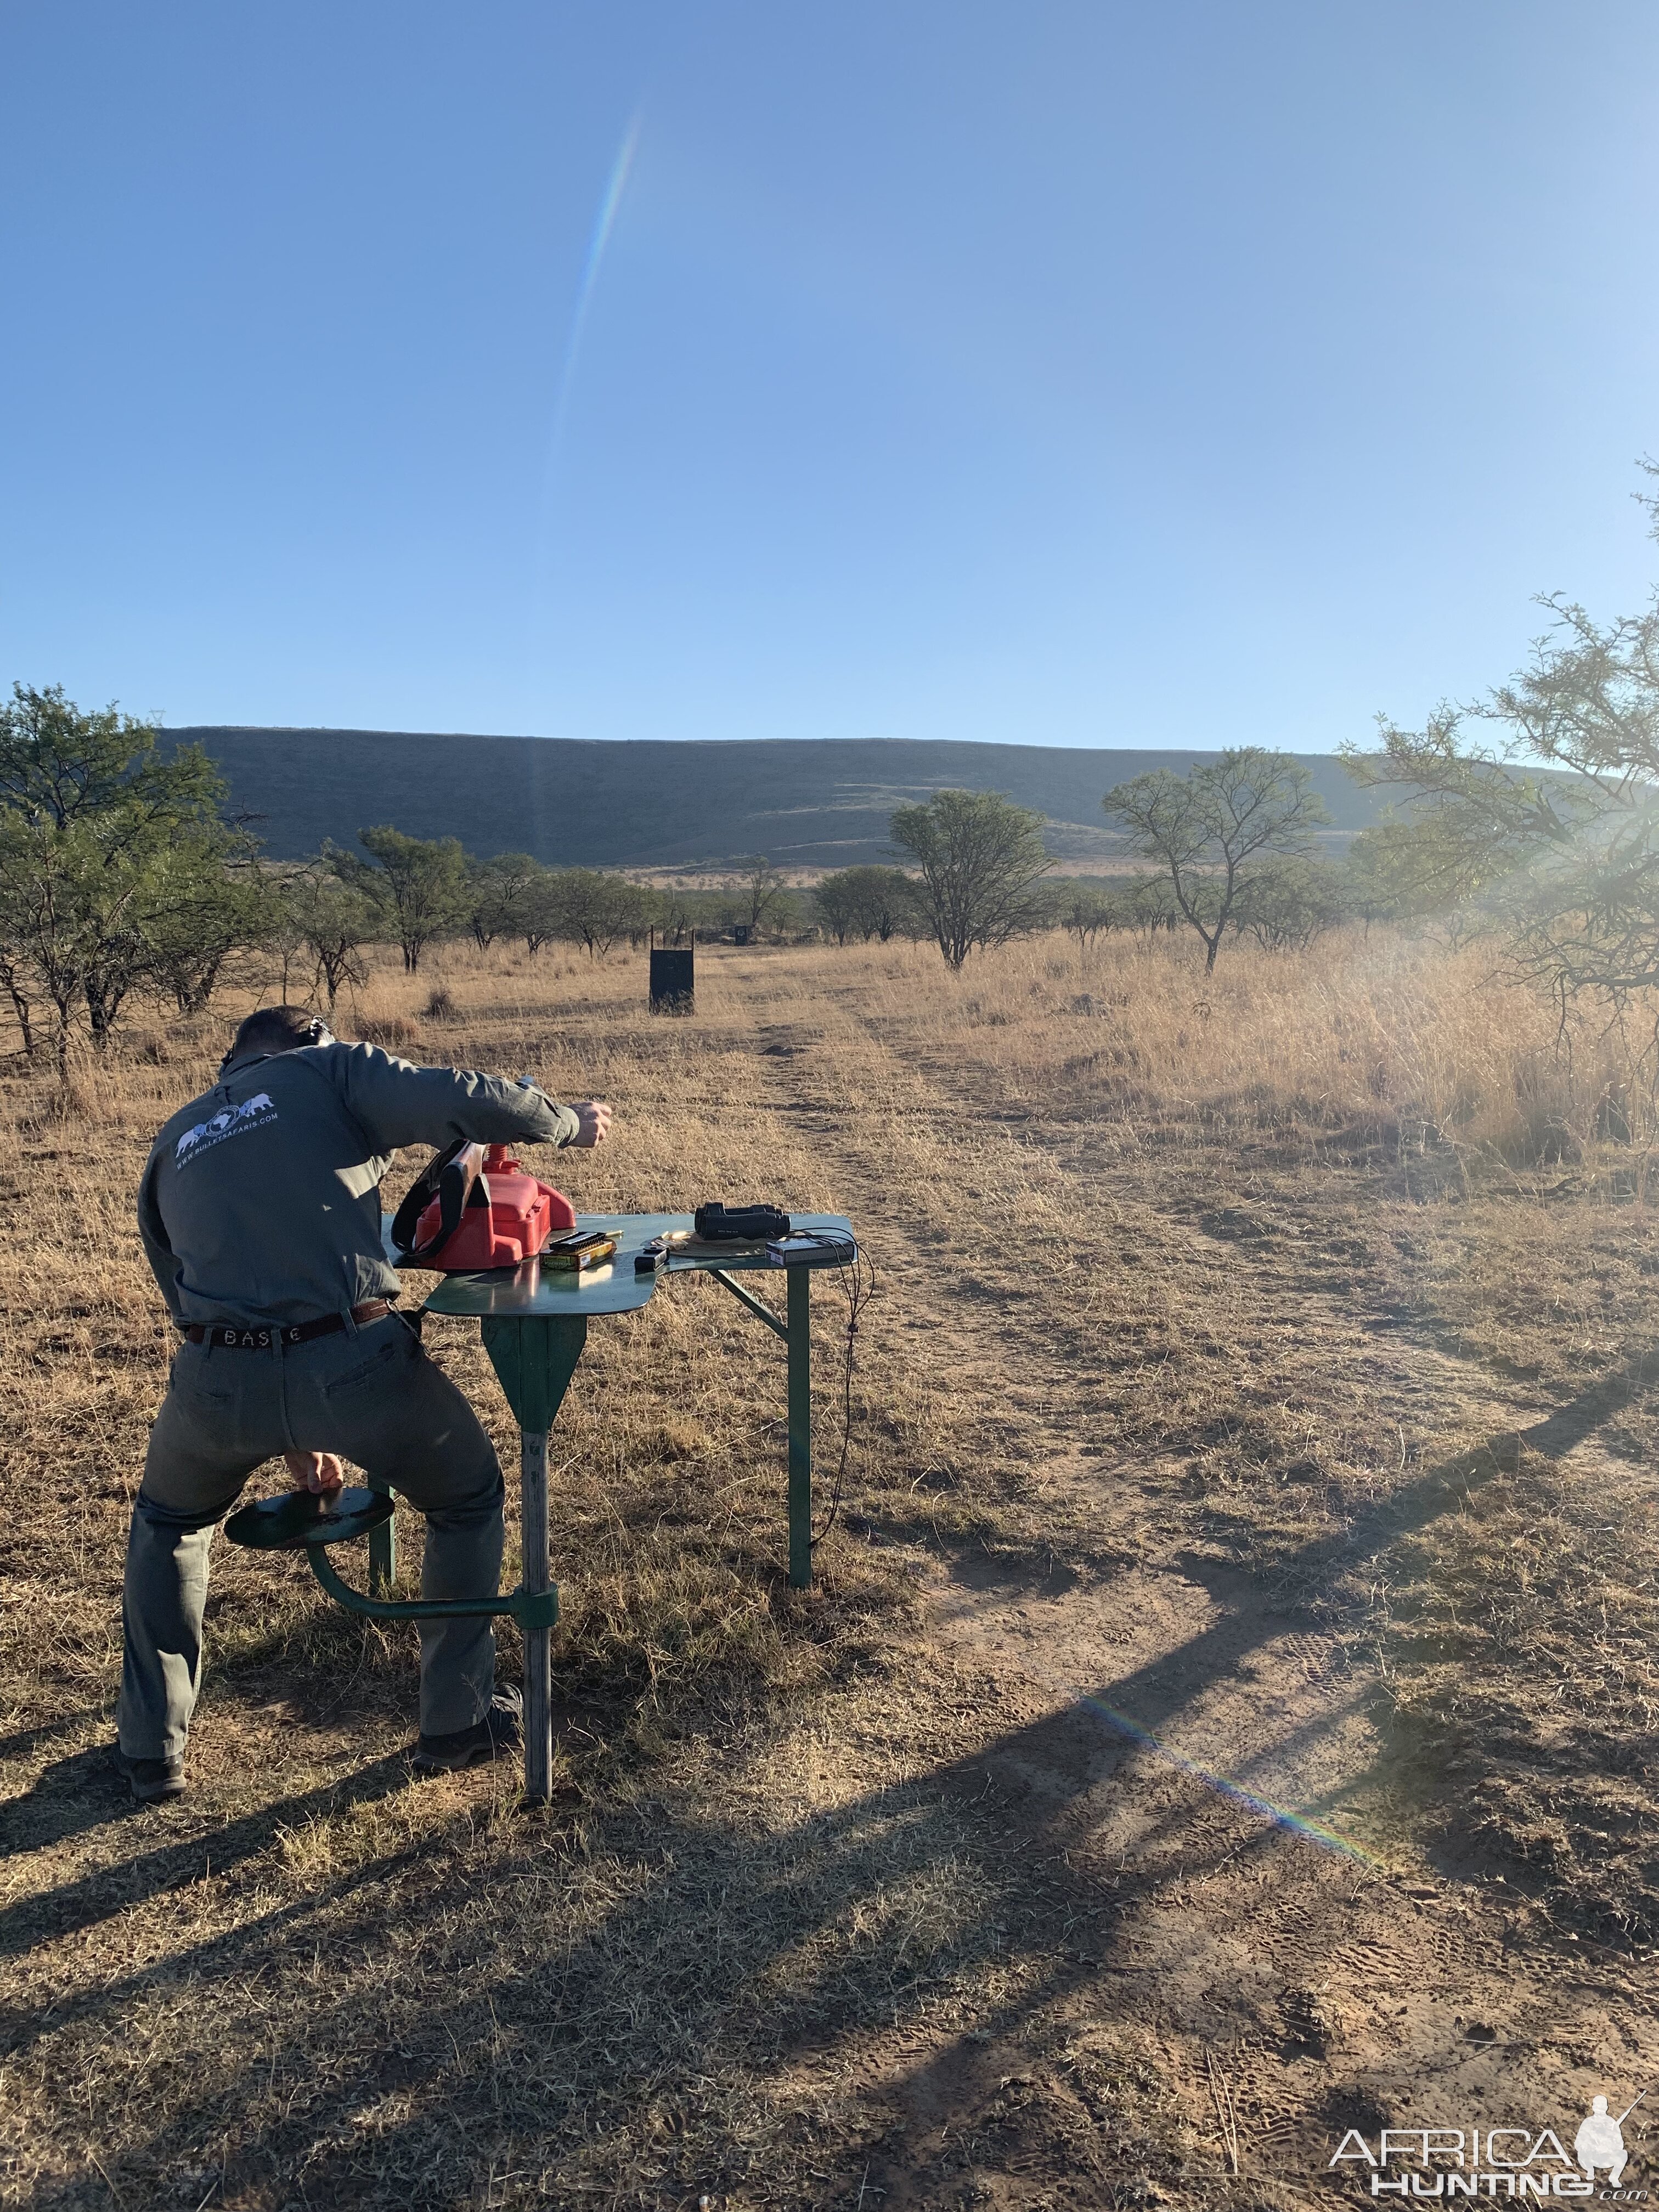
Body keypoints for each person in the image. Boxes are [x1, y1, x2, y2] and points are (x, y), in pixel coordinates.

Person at [115, 1005, 612, 1804]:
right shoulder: (327, 1068)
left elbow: (181, 1291)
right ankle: (456, 1721)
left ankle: (148, 1752)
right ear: (310, 1037)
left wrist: (286, 1429)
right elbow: (466, 1094)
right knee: (465, 1497)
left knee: (170, 1526)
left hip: (211, 1380)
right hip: (353, 1363)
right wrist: (566, 1122)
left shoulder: (175, 1136)